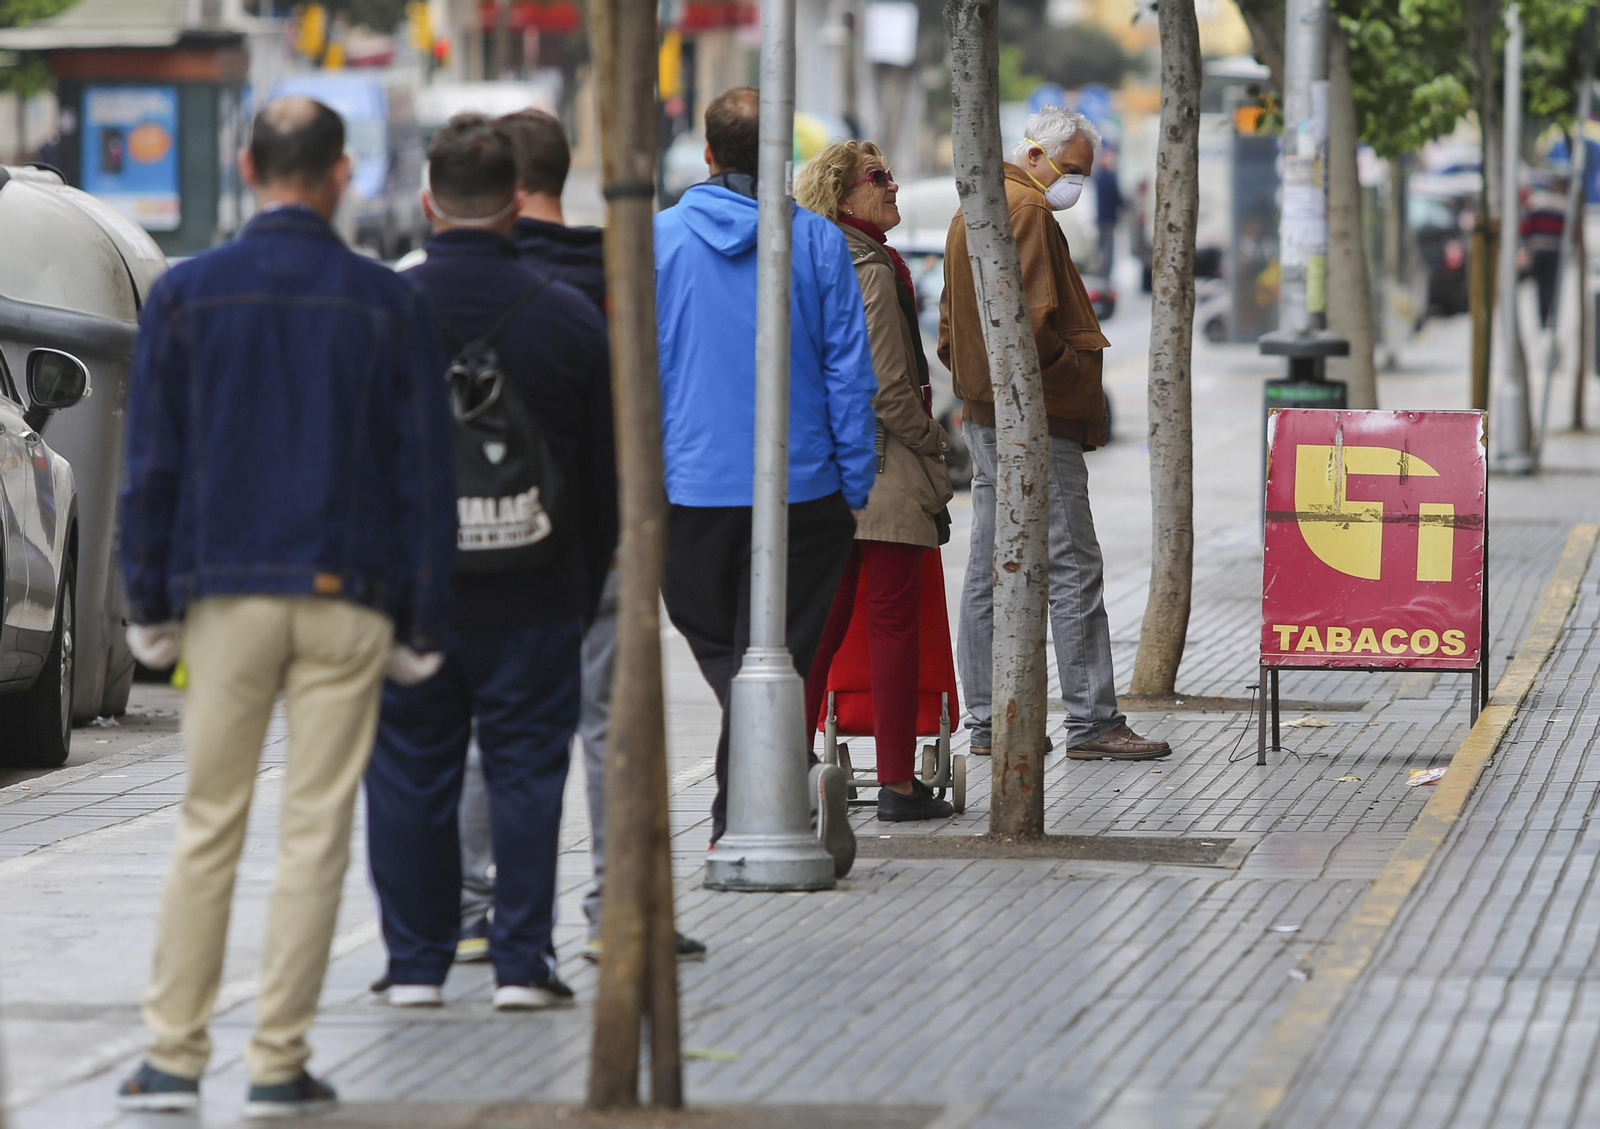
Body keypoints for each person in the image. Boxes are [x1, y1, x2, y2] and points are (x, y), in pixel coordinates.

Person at [115, 96, 457, 1119]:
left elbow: (151, 465)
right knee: (315, 830)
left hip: (223, 597)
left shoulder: (186, 296)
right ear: (339, 175)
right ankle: (276, 1061)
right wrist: (423, 620)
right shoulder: (386, 301)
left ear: (247, 163)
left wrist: (150, 602)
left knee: (208, 822)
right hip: (346, 596)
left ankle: (173, 1058)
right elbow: (422, 478)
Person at [363, 114, 617, 1011]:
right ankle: (520, 962)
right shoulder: (568, 320)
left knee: (408, 773)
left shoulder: (383, 310)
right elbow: (604, 482)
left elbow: (356, 464)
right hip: (536, 589)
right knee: (525, 772)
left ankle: (417, 962)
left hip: (411, 597)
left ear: (429, 200)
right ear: (518, 202)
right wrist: (575, 591)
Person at [654, 87, 878, 867]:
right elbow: (852, 374)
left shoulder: (656, 244)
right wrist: (855, 484)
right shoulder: (817, 244)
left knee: (725, 646)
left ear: (707, 154)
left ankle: (743, 816)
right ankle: (787, 781)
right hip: (805, 491)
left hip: (691, 492)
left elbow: (638, 378)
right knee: (778, 654)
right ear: (779, 154)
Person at [940, 105, 1171, 764]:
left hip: (987, 413)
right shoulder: (1030, 211)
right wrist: (1073, 373)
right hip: (1036, 416)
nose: (1075, 186)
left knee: (992, 564)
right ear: (1035, 156)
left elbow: (951, 327)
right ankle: (1093, 718)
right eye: (1071, 170)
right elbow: (1036, 323)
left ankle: (987, 720)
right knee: (1072, 562)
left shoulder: (975, 209)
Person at [794, 139, 957, 822]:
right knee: (890, 626)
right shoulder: (868, 266)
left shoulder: (811, 258)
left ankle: (786, 767)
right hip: (882, 470)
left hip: (822, 471)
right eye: (877, 179)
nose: (892, 187)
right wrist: (937, 446)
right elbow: (892, 390)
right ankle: (896, 782)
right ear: (843, 196)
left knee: (817, 629)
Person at [1093, 147, 1124, 278]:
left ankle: (1102, 272)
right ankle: (1104, 273)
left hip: (1102, 217)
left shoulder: (1100, 177)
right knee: (1107, 248)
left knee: (1103, 246)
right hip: (1107, 218)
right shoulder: (1107, 178)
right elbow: (1116, 197)